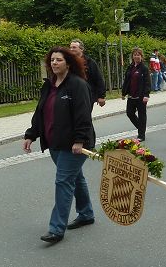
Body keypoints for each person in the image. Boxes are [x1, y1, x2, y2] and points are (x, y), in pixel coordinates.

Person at [23, 47, 96, 243]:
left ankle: (56, 228)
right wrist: (31, 134)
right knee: (76, 178)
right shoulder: (49, 86)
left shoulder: (78, 85)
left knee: (63, 181)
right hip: (55, 143)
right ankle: (86, 213)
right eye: (52, 60)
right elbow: (41, 113)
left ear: (68, 63)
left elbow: (83, 115)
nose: (54, 63)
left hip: (75, 145)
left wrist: (80, 140)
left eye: (59, 60)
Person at [121, 47, 151, 141]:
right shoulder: (130, 67)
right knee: (129, 113)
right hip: (131, 96)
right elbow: (126, 81)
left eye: (138, 55)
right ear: (132, 56)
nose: (136, 56)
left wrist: (146, 95)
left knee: (142, 115)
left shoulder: (144, 68)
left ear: (141, 56)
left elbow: (147, 82)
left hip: (141, 96)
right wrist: (123, 93)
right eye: (135, 55)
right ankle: (141, 128)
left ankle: (141, 135)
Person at [69, 39, 106, 108]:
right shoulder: (67, 62)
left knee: (84, 117)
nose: (71, 49)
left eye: (74, 47)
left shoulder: (90, 62)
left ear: (81, 49)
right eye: (70, 47)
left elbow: (98, 79)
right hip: (71, 95)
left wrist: (101, 96)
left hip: (86, 96)